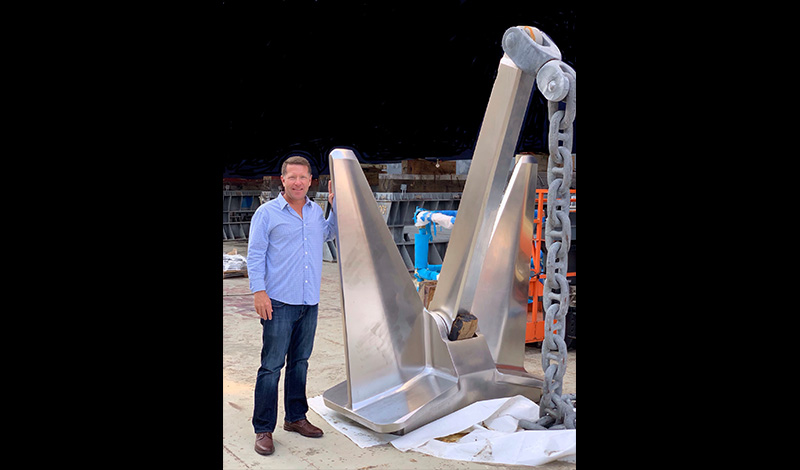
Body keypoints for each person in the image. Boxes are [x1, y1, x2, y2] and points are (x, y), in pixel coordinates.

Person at [246, 155, 337, 456]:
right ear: (282, 180)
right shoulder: (267, 213)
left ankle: (296, 417)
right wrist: (259, 292)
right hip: (279, 302)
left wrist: (335, 207)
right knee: (271, 366)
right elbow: (256, 254)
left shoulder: (314, 213)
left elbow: (328, 234)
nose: (298, 182)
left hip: (308, 302)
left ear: (311, 181)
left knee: (300, 363)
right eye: (292, 177)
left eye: (303, 177)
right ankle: (263, 428)